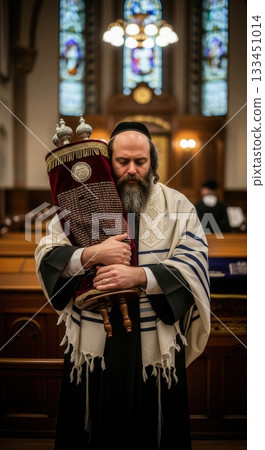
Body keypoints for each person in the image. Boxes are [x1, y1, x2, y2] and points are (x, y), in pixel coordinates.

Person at [35, 122, 210, 450]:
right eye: (122, 161)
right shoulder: (80, 201)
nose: (132, 170)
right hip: (95, 346)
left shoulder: (178, 205)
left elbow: (195, 261)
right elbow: (47, 255)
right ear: (107, 160)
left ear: (152, 163)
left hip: (154, 346)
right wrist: (90, 254)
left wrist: (141, 276)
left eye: (140, 162)